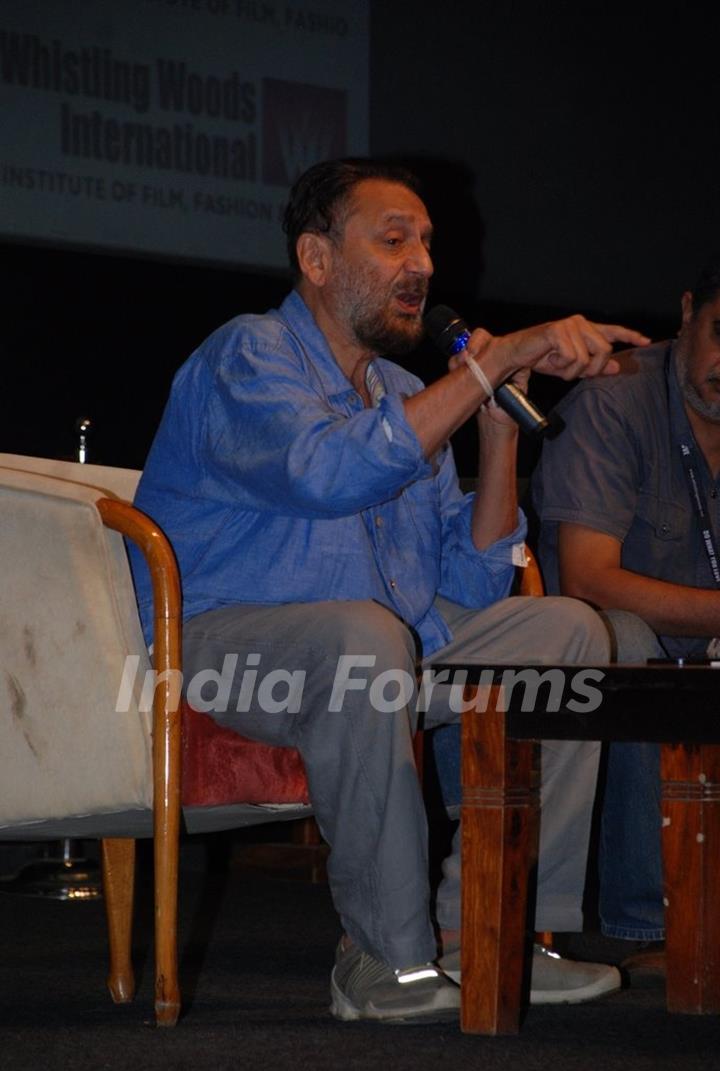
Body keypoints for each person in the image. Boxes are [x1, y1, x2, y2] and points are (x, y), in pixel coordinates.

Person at [129, 157, 650, 1024]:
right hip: (222, 649)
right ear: (318, 258)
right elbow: (328, 473)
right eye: (394, 239)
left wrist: (497, 426)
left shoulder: (412, 393)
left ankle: (490, 928)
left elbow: (472, 586)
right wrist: (493, 365)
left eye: (428, 244)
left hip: (379, 646)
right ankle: (382, 956)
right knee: (361, 638)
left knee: (564, 635)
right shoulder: (248, 353)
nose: (424, 266)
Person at [532, 261, 720, 966]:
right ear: (686, 314)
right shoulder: (620, 398)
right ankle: (650, 922)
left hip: (706, 650)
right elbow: (587, 579)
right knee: (631, 641)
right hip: (594, 658)